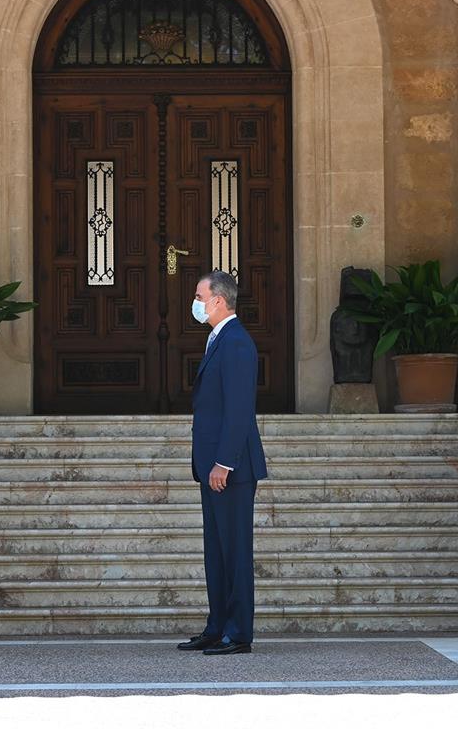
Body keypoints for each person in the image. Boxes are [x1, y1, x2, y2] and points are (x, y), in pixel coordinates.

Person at [177, 271, 268, 656]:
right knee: (216, 552)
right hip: (213, 465)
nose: (195, 303)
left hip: (230, 469)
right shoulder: (218, 339)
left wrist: (223, 463)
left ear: (217, 300)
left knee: (235, 551)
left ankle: (238, 633)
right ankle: (217, 627)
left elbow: (239, 410)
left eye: (199, 296)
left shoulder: (236, 343)